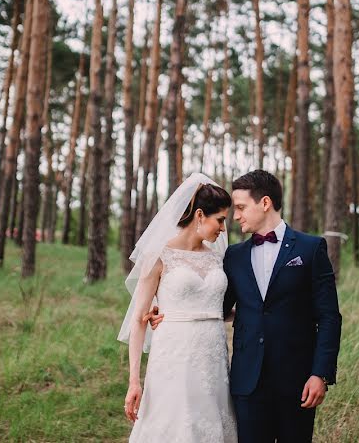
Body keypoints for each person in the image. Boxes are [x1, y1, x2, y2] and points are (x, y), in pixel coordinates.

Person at [150, 169, 342, 443]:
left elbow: (329, 317)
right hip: (246, 383)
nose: (235, 216)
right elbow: (214, 306)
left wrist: (320, 373)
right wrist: (165, 310)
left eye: (240, 208)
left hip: (297, 381)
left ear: (264, 203)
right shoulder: (234, 256)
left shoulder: (311, 249)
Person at [118, 173, 237, 442]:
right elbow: (139, 319)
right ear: (199, 215)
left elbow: (217, 310)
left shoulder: (216, 258)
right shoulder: (159, 256)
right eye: (219, 220)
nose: (223, 228)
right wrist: (134, 380)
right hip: (175, 355)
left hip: (214, 358)